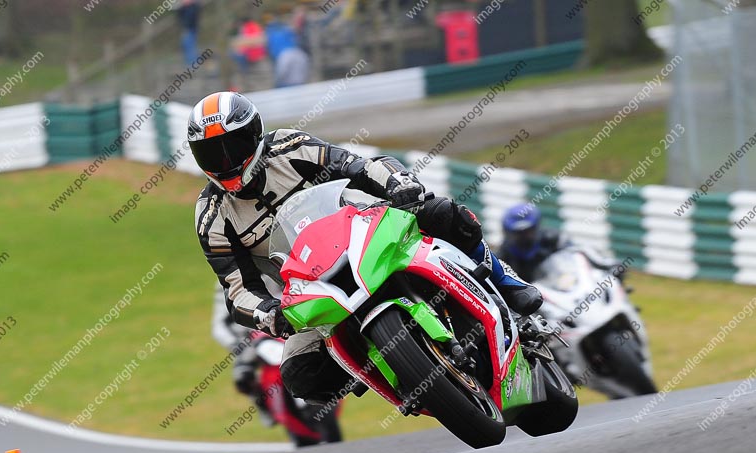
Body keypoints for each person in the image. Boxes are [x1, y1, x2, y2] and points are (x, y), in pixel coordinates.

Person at [189, 91, 543, 403]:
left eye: (231, 148)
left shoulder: (289, 146)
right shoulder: (212, 217)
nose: (224, 162)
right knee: (303, 377)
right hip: (310, 290)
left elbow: (356, 167)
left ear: (254, 136)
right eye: (210, 154)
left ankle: (506, 282)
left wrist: (400, 184)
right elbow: (238, 290)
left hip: (366, 232)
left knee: (443, 213)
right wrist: (270, 314)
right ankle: (404, 374)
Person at [501, 203, 624, 282]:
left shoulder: (553, 239)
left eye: (528, 231)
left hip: (565, 288)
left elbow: (579, 252)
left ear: (536, 227)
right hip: (537, 307)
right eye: (518, 233)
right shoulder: (504, 255)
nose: (523, 237)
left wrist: (605, 264)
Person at [210, 282, 274, 427]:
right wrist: (237, 345)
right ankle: (261, 402)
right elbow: (218, 326)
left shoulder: (277, 264)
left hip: (287, 327)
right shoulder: (227, 280)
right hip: (251, 341)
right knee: (242, 377)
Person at [177, 0, 201, 66]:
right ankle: (190, 64)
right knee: (186, 45)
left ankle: (192, 64)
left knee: (190, 47)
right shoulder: (186, 8)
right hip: (187, 29)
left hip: (191, 29)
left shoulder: (194, 7)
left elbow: (191, 18)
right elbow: (180, 16)